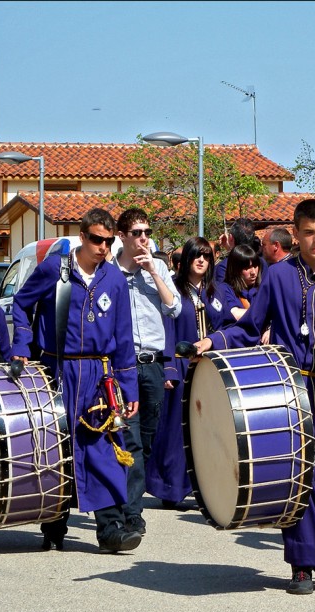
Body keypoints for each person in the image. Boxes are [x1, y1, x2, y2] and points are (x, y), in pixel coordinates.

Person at [193, 198, 315, 595]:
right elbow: (251, 327)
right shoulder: (278, 277)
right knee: (299, 475)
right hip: (290, 390)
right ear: (296, 234)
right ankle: (303, 565)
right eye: (309, 234)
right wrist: (213, 340)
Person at [9, 208, 142, 553]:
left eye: (108, 241)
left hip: (99, 376)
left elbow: (124, 337)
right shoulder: (56, 269)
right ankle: (54, 523)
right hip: (58, 371)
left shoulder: (113, 278)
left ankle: (111, 527)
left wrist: (127, 387)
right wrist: (22, 345)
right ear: (82, 237)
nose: (102, 246)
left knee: (105, 448)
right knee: (57, 449)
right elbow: (22, 304)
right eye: (97, 239)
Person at [147, 236, 238, 509]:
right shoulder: (173, 289)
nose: (202, 260)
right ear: (186, 259)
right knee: (177, 429)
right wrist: (169, 369)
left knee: (208, 429)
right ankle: (171, 487)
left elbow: (235, 325)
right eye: (197, 255)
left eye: (207, 256)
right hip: (181, 366)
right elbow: (165, 326)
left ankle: (206, 490)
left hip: (211, 368)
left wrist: (217, 341)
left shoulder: (218, 291)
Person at [113, 207, 181, 536]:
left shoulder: (160, 268)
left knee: (147, 439)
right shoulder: (110, 273)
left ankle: (128, 493)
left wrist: (154, 271)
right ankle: (132, 512)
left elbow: (175, 306)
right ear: (122, 236)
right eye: (137, 233)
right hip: (123, 366)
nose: (144, 238)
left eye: (147, 232)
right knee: (132, 439)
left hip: (152, 365)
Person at [218, 243, 264, 320]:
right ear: (236, 269)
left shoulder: (261, 289)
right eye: (247, 268)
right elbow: (235, 313)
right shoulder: (224, 289)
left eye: (255, 266)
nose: (253, 272)